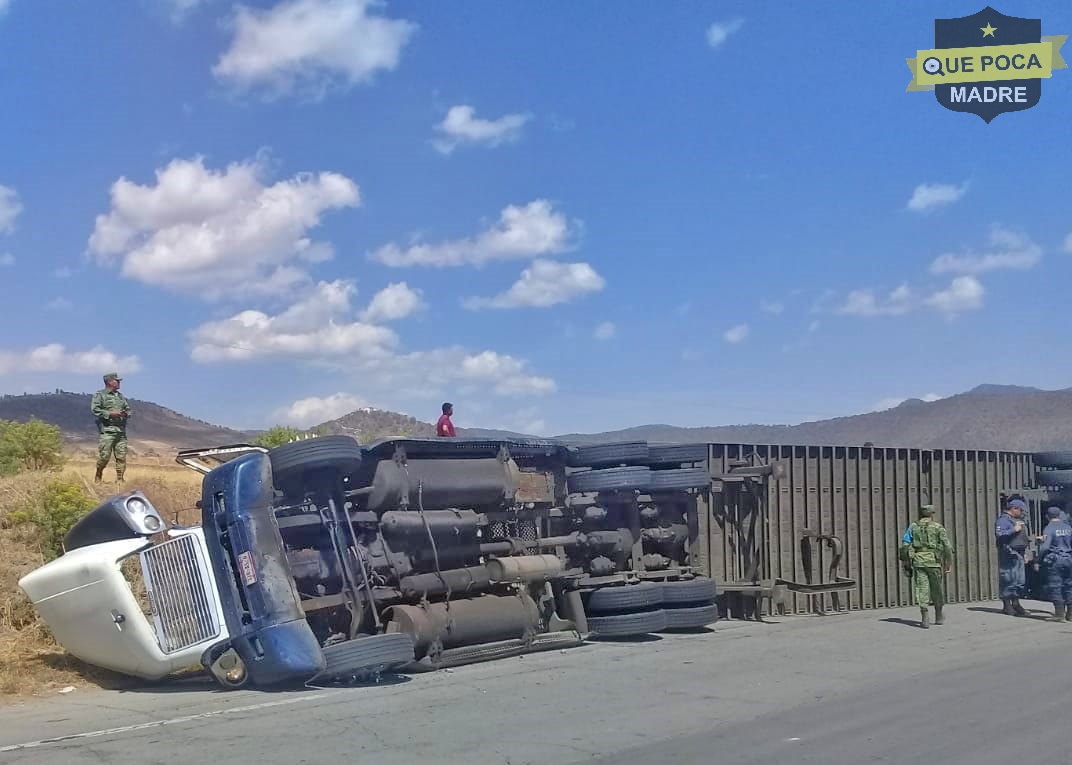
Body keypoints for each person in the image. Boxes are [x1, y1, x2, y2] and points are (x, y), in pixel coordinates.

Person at [899, 504, 954, 628]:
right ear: (932, 514)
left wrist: (905, 562)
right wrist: (948, 563)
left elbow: (905, 544)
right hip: (933, 562)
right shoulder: (938, 527)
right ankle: (939, 614)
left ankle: (925, 616)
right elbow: (947, 546)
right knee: (936, 588)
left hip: (918, 562)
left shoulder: (913, 527)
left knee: (921, 588)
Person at [91, 372, 131, 483]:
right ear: (109, 382)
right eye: (116, 380)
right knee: (104, 456)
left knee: (121, 457)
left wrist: (125, 413)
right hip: (107, 431)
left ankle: (120, 479)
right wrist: (110, 414)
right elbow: (95, 410)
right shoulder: (100, 395)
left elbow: (128, 409)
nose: (119, 383)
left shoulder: (120, 396)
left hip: (120, 432)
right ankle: (98, 474)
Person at [995, 498, 1031, 616]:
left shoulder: (1016, 520)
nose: (1021, 513)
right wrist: (1013, 529)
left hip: (1019, 553)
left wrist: (1025, 553)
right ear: (1014, 508)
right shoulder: (1003, 520)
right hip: (1009, 554)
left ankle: (1016, 603)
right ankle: (1007, 605)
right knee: (1008, 579)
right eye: (1020, 510)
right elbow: (1000, 534)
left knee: (1019, 580)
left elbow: (1021, 538)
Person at [1038, 506, 1072, 622]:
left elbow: (1045, 547)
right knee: (1069, 585)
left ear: (1047, 516)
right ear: (1059, 515)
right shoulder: (1068, 527)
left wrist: (1038, 559)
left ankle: (1059, 614)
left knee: (1055, 585)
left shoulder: (1049, 528)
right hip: (1068, 559)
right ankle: (1071, 614)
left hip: (1055, 560)